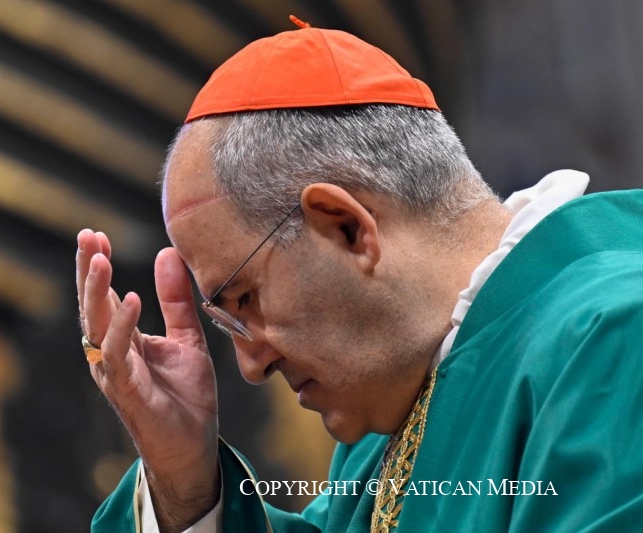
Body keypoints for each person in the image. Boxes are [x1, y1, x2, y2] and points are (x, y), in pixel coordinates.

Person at [76, 19, 643, 533]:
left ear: (347, 227)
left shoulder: (612, 337)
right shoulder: (392, 412)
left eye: (245, 298)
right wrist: (184, 481)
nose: (251, 366)